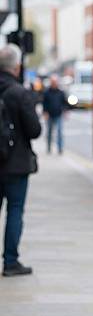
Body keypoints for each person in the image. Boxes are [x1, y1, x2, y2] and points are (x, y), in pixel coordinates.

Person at [0, 44, 41, 276]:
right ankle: (10, 261)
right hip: (15, 163)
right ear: (16, 67)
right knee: (15, 210)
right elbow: (34, 130)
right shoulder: (19, 92)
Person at [43, 74, 67, 154]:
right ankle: (49, 147)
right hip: (50, 115)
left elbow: (64, 103)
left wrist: (65, 111)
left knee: (59, 132)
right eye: (53, 82)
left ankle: (60, 148)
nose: (54, 83)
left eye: (55, 82)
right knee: (49, 132)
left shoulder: (61, 92)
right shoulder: (47, 92)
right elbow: (44, 103)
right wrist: (45, 113)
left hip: (58, 114)